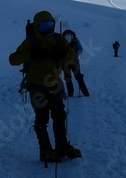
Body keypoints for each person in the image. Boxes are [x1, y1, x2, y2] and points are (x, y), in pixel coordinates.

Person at [9, 11, 82, 163]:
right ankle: (46, 151)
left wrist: (62, 53)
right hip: (36, 85)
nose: (47, 29)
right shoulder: (31, 41)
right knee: (42, 118)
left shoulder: (58, 39)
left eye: (50, 25)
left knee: (59, 115)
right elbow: (13, 59)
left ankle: (62, 146)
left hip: (54, 84)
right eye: (43, 26)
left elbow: (71, 56)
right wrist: (30, 54)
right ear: (37, 26)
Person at [61, 29, 90, 97]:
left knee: (77, 77)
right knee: (70, 77)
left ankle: (84, 91)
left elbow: (80, 49)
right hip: (67, 63)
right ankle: (72, 92)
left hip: (72, 62)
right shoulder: (62, 42)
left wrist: (76, 55)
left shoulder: (75, 41)